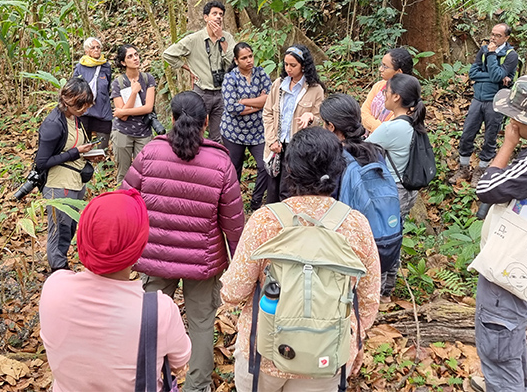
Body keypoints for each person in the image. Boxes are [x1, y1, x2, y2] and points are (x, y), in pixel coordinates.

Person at [220, 127, 380, 392]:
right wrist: (354, 338)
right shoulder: (355, 225)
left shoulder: (265, 221)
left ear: (290, 170)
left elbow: (234, 293)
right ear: (338, 170)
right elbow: (369, 299)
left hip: (264, 354)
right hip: (327, 357)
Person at [122, 90, 245, 392]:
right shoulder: (220, 163)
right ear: (206, 121)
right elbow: (233, 221)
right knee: (201, 323)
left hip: (155, 254)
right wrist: (240, 261)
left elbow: (126, 201)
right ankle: (197, 386)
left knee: (149, 319)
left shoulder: (150, 153)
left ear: (173, 119)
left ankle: (150, 379)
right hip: (202, 260)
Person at [39, 189, 191, 391]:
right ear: (139, 246)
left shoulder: (53, 287)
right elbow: (180, 361)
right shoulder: (158, 310)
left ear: (83, 235)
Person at [470, 74, 527, 392]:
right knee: (511, 340)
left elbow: (487, 187)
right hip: (522, 272)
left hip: (508, 271)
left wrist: (507, 145)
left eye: (517, 117)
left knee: (499, 343)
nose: (512, 122)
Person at [320, 93, 401, 276]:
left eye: (324, 123)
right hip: (381, 238)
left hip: (348, 247)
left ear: (331, 127)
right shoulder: (374, 151)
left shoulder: (335, 159)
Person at [365, 73, 426, 301]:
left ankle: (378, 293)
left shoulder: (393, 128)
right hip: (408, 192)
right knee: (394, 237)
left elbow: (362, 149)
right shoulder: (414, 122)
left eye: (387, 92)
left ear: (397, 97)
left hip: (393, 194)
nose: (384, 95)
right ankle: (387, 289)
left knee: (382, 240)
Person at [35, 77, 101, 271]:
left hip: (75, 181)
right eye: (81, 106)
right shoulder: (53, 124)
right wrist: (77, 152)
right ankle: (58, 269)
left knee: (70, 227)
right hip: (59, 184)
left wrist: (89, 154)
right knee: (59, 230)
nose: (85, 110)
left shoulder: (74, 119)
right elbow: (42, 162)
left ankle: (61, 265)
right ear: (69, 101)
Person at [450, 23, 518, 186]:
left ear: (506, 38)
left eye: (497, 36)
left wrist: (492, 56)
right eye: (492, 34)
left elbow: (495, 75)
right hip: (478, 99)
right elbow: (473, 73)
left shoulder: (511, 55)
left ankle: (481, 170)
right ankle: (464, 167)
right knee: (467, 133)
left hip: (495, 102)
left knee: (490, 137)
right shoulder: (484, 49)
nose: (493, 38)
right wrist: (496, 77)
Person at [163, 0, 236, 142]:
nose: (218, 17)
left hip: (222, 92)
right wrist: (187, 68)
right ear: (205, 17)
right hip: (201, 92)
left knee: (219, 135)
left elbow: (233, 63)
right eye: (214, 14)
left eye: (221, 14)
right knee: (194, 131)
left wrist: (222, 40)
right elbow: (168, 54)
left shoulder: (227, 37)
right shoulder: (193, 39)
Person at [262, 44, 324, 204]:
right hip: (276, 147)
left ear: (304, 66)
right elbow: (268, 113)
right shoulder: (278, 85)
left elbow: (321, 120)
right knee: (273, 190)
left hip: (298, 149)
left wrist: (311, 117)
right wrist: (271, 141)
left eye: (293, 65)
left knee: (290, 190)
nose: (288, 69)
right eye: (286, 64)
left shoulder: (315, 89)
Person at [221, 42, 272, 211]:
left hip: (258, 132)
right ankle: (233, 205)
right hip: (234, 132)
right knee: (234, 171)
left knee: (265, 164)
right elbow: (231, 108)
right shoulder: (230, 78)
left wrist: (244, 102)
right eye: (244, 58)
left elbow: (270, 99)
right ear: (236, 60)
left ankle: (256, 203)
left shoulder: (261, 73)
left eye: (250, 56)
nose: (249, 60)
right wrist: (258, 104)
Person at [111, 44, 157, 184]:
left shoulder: (148, 79)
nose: (135, 58)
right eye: (130, 56)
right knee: (123, 174)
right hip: (123, 132)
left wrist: (123, 111)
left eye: (136, 54)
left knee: (144, 173)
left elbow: (148, 108)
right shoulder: (118, 83)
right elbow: (123, 118)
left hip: (144, 132)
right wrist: (134, 92)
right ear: (123, 62)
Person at [72, 37, 112, 150]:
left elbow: (107, 86)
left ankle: (102, 166)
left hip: (102, 111)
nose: (96, 50)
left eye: (98, 47)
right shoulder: (80, 67)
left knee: (102, 148)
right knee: (84, 146)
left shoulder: (106, 67)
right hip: (84, 112)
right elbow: (75, 86)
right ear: (86, 51)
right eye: (93, 48)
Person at [361, 47, 413, 133]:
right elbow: (364, 112)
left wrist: (374, 126)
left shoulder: (408, 98)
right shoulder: (379, 86)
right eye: (382, 65)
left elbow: (391, 129)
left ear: (399, 72)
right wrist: (377, 127)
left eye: (385, 67)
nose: (380, 69)